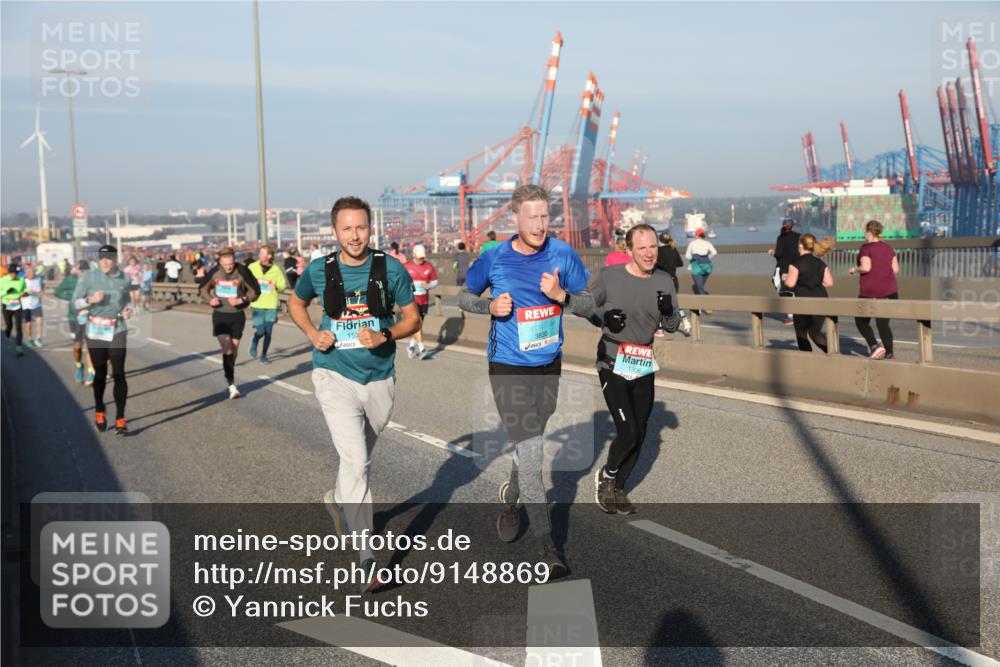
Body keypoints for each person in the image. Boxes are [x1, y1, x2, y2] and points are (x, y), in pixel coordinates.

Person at [458, 184, 594, 578]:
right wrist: (488, 306)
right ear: (514, 219)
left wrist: (562, 295)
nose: (539, 224)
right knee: (533, 455)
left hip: (549, 365)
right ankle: (549, 548)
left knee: (527, 447)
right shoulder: (494, 257)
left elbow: (589, 305)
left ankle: (512, 497)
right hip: (508, 367)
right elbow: (463, 297)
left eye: (544, 216)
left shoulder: (562, 254)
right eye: (532, 217)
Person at [288, 196, 420, 592]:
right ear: (335, 231)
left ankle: (337, 496)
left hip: (379, 376)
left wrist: (385, 334)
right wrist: (314, 334)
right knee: (358, 461)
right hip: (333, 374)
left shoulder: (389, 268)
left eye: (361, 227)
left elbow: (413, 317)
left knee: (357, 462)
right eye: (347, 228)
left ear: (370, 228)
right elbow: (295, 303)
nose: (355, 235)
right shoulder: (319, 269)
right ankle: (366, 561)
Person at [590, 224, 681, 513]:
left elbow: (672, 326)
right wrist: (605, 318)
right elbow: (586, 307)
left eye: (653, 246)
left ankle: (618, 489)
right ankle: (607, 477)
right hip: (612, 360)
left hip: (642, 361)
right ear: (628, 250)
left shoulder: (665, 281)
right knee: (628, 430)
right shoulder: (609, 276)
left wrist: (668, 313)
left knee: (639, 433)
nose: (649, 253)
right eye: (641, 248)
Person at [72, 245, 134, 435]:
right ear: (98, 260)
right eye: (102, 259)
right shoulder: (88, 277)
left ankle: (121, 418)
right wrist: (90, 300)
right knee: (100, 374)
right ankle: (100, 409)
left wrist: (129, 310)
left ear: (116, 259)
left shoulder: (125, 278)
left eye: (109, 258)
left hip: (117, 328)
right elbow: (75, 302)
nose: (105, 262)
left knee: (119, 373)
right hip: (96, 329)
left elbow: (127, 300)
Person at [199, 246, 260, 399]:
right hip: (220, 315)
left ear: (234, 260)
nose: (229, 267)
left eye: (231, 264)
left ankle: (228, 372)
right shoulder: (215, 272)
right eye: (225, 265)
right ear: (220, 262)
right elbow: (202, 289)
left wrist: (242, 299)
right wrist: (210, 300)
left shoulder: (242, 271)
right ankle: (232, 385)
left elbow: (255, 291)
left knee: (234, 351)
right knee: (228, 350)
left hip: (237, 316)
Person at [849, 220, 900, 360]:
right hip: (890, 292)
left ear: (869, 232)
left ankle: (874, 346)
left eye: (865, 231)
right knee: (883, 324)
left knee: (861, 321)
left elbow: (866, 267)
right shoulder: (889, 247)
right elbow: (895, 269)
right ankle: (890, 354)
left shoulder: (866, 248)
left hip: (871, 292)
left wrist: (854, 269)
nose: (864, 234)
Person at [784, 234, 835, 353]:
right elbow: (829, 283)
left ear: (801, 245)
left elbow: (790, 284)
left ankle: (808, 360)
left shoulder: (796, 263)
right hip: (821, 301)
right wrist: (814, 282)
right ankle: (833, 353)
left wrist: (785, 278)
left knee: (801, 334)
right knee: (815, 332)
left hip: (803, 303)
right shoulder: (820, 263)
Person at [54, 260, 96, 384]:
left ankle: (91, 372)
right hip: (74, 317)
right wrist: (71, 298)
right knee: (77, 346)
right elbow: (58, 292)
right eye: (81, 270)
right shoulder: (70, 279)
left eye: (85, 270)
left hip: (89, 315)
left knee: (90, 346)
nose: (83, 273)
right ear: (77, 270)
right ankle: (79, 366)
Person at [247, 244, 287, 364]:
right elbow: (245, 281)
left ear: (269, 256)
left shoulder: (275, 269)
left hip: (271, 305)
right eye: (260, 253)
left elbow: (282, 285)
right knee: (260, 331)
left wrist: (276, 286)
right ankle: (254, 340)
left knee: (268, 332)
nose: (260, 255)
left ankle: (264, 355)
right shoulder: (252, 267)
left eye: (262, 253)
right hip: (257, 303)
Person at [403, 244, 439, 360]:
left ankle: (411, 346)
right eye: (419, 257)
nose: (421, 259)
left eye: (422, 257)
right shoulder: (406, 266)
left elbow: (435, 281)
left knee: (419, 324)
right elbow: (399, 280)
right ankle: (422, 348)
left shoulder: (429, 266)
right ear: (413, 255)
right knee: (417, 322)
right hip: (411, 300)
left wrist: (429, 285)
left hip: (424, 299)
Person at [655, 231, 691, 336]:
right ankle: (685, 320)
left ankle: (660, 328)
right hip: (674, 280)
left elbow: (658, 264)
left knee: (659, 304)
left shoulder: (659, 251)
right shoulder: (673, 249)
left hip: (662, 280)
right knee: (675, 303)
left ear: (659, 240)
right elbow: (680, 263)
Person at [769, 219, 801, 325]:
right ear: (793, 226)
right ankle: (797, 315)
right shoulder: (798, 236)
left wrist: (773, 253)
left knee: (782, 288)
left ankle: (791, 316)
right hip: (797, 266)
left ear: (783, 226)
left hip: (783, 267)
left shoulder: (781, 238)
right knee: (794, 290)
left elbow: (779, 254)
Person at [684, 227, 718, 315]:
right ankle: (701, 305)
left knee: (700, 288)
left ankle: (705, 307)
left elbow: (687, 256)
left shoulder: (692, 244)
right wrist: (706, 258)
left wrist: (695, 259)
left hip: (696, 267)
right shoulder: (708, 243)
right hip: (707, 267)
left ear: (696, 235)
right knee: (701, 287)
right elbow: (714, 252)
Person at [1, 264, 26, 357]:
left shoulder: (21, 280)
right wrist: (6, 292)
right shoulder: (3, 280)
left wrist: (25, 293)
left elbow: (25, 289)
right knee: (9, 325)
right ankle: (7, 337)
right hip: (7, 306)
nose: (14, 275)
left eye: (16, 273)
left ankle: (19, 347)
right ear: (9, 272)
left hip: (17, 306)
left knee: (19, 327)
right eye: (12, 273)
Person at [21, 265, 44, 347]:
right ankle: (30, 339)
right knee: (29, 324)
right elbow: (19, 294)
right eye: (28, 272)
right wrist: (27, 293)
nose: (30, 274)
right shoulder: (22, 281)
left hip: (37, 304)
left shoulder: (39, 279)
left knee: (40, 322)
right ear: (25, 273)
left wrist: (38, 294)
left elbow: (41, 292)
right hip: (26, 305)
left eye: (31, 272)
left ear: (34, 272)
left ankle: (39, 338)